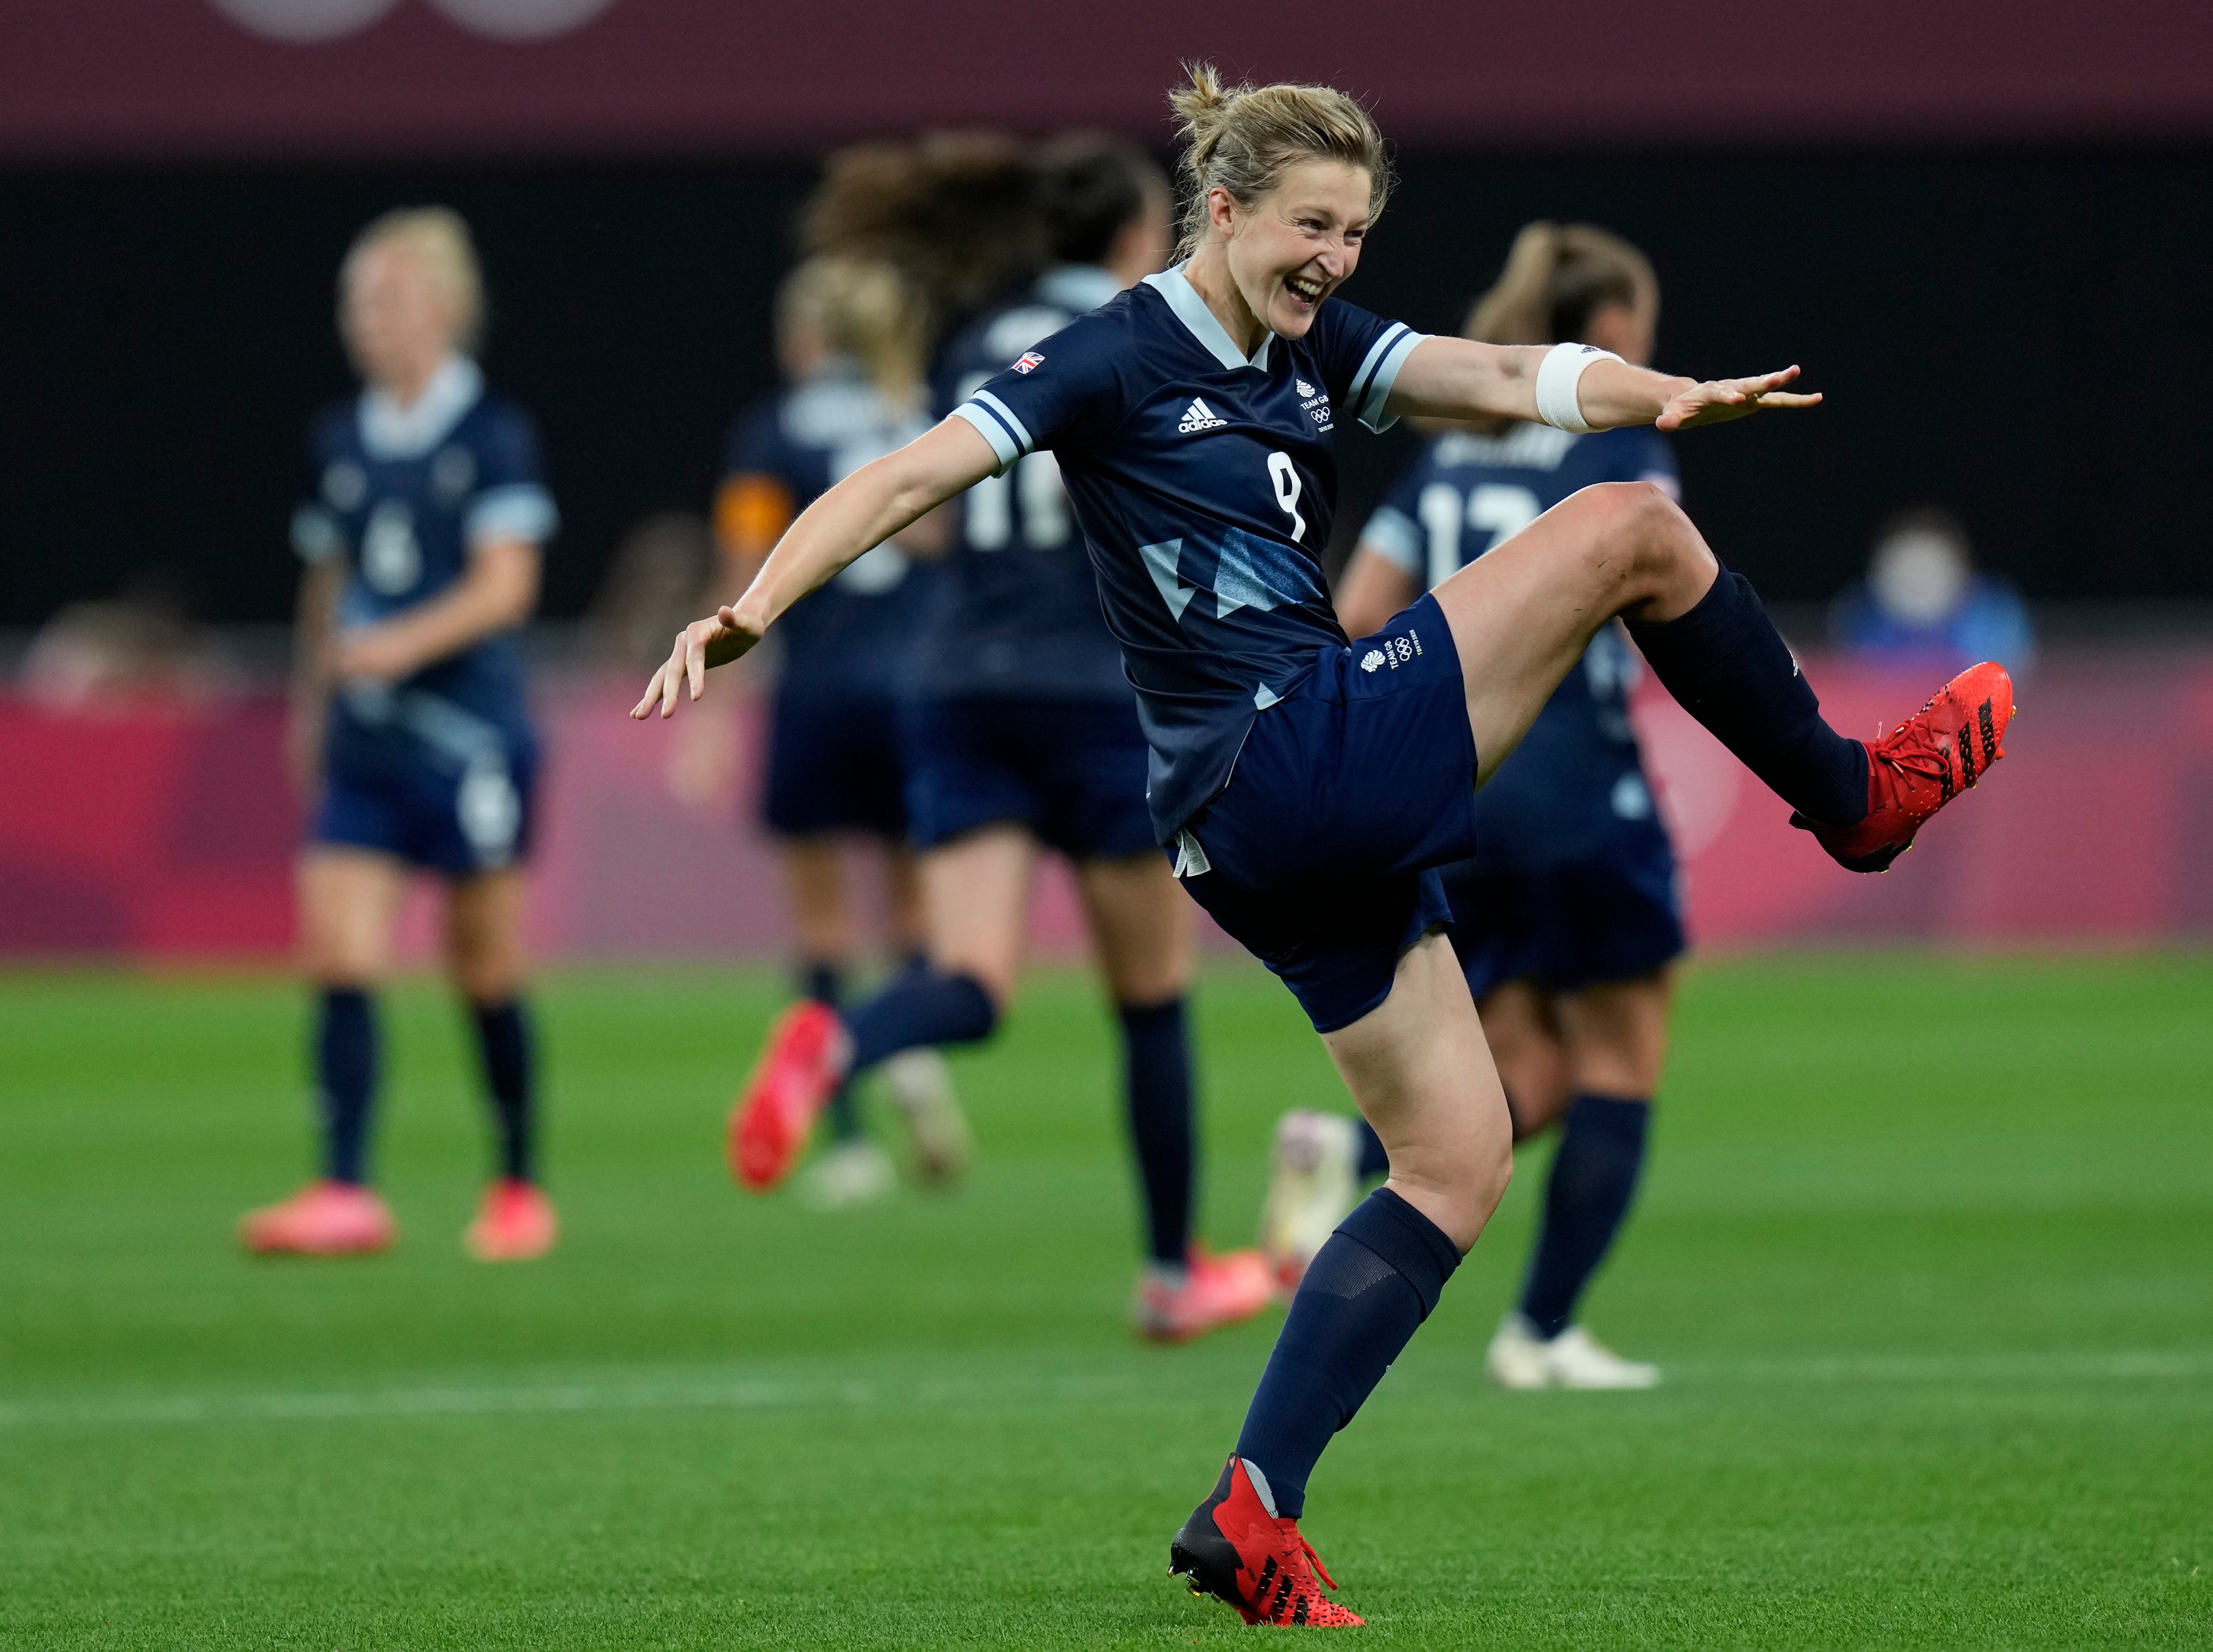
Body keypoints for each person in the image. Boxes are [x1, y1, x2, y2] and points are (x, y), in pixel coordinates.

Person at [635, 68, 2015, 1626]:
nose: (1335, 261)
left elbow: (1497, 372)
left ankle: (1253, 1506)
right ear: (1217, 210)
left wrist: (1662, 392)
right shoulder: (1112, 352)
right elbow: (903, 473)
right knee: (1632, 530)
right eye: (1310, 226)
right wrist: (749, 608)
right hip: (1286, 757)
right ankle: (1853, 798)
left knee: (1455, 1157)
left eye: (1355, 233)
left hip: (1248, 829)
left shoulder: (1312, 348)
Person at [730, 135, 1273, 1339]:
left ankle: (839, 1041)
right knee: (1149, 997)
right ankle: (1172, 1272)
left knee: (971, 984)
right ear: (1141, 237)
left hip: (961, 681)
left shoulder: (983, 341)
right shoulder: (1158, 329)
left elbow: (923, 520)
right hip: (1098, 691)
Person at [1260, 222, 1688, 1392]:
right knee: (1622, 1055)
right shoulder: (1622, 456)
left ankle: (1340, 1149)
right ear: (1605, 337)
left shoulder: (1447, 463)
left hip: (1463, 789)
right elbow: (1663, 591)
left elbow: (1356, 612)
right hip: (1577, 785)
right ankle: (1543, 1331)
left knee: (1522, 1074)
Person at [240, 208, 558, 1262]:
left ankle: (517, 1183)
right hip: (369, 746)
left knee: (484, 966)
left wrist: (400, 645)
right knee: (338, 946)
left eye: (382, 298)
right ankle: (344, 1187)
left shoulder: (490, 434)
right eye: (354, 302)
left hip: (469, 743)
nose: (363, 321)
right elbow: (326, 582)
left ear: (442, 305)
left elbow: (507, 587)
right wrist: (312, 700)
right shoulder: (343, 437)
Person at [687, 253, 970, 1207]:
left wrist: (714, 716)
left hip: (817, 695)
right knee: (913, 913)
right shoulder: (923, 417)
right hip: (916, 692)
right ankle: (904, 1048)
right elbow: (951, 547)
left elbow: (743, 572)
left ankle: (846, 1143)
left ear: (810, 335)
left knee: (819, 924)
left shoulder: (773, 430)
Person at [1830, 505, 2035, 675]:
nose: (1916, 583)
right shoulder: (1859, 620)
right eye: (1904, 570)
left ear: (1962, 569)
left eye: (1929, 568)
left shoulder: (1996, 618)